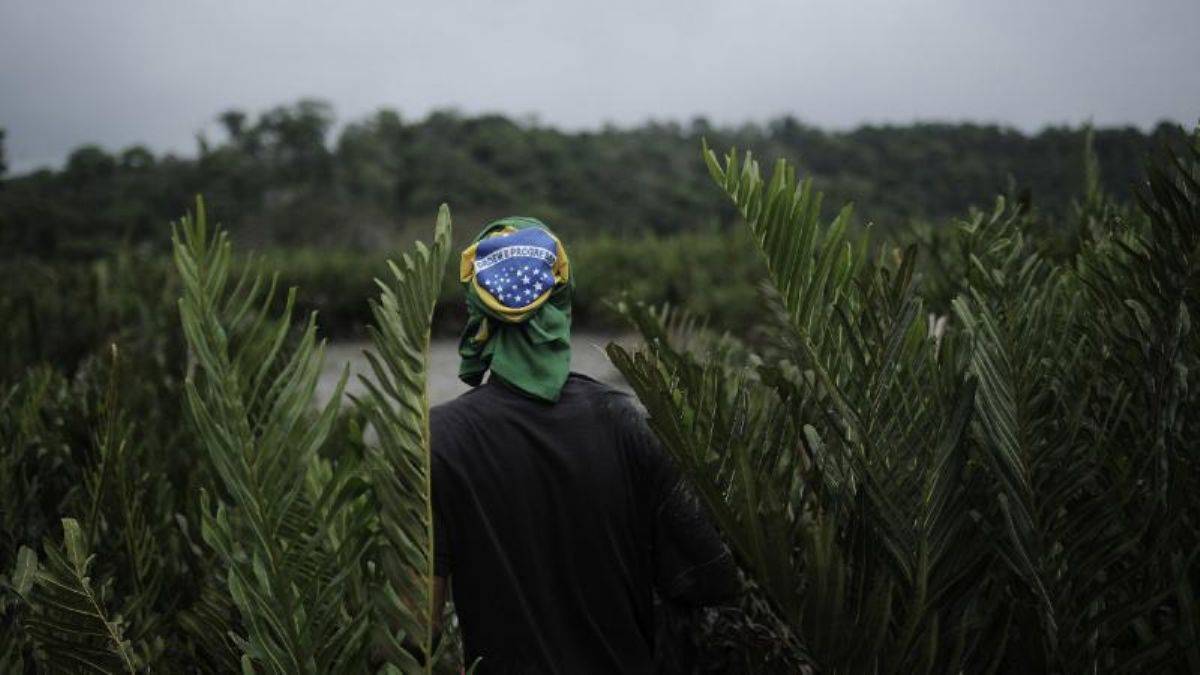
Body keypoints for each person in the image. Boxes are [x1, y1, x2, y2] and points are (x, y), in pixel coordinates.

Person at [431, 217, 738, 674]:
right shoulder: (627, 422)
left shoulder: (440, 438)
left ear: (481, 315)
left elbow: (416, 627)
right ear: (562, 302)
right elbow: (710, 579)